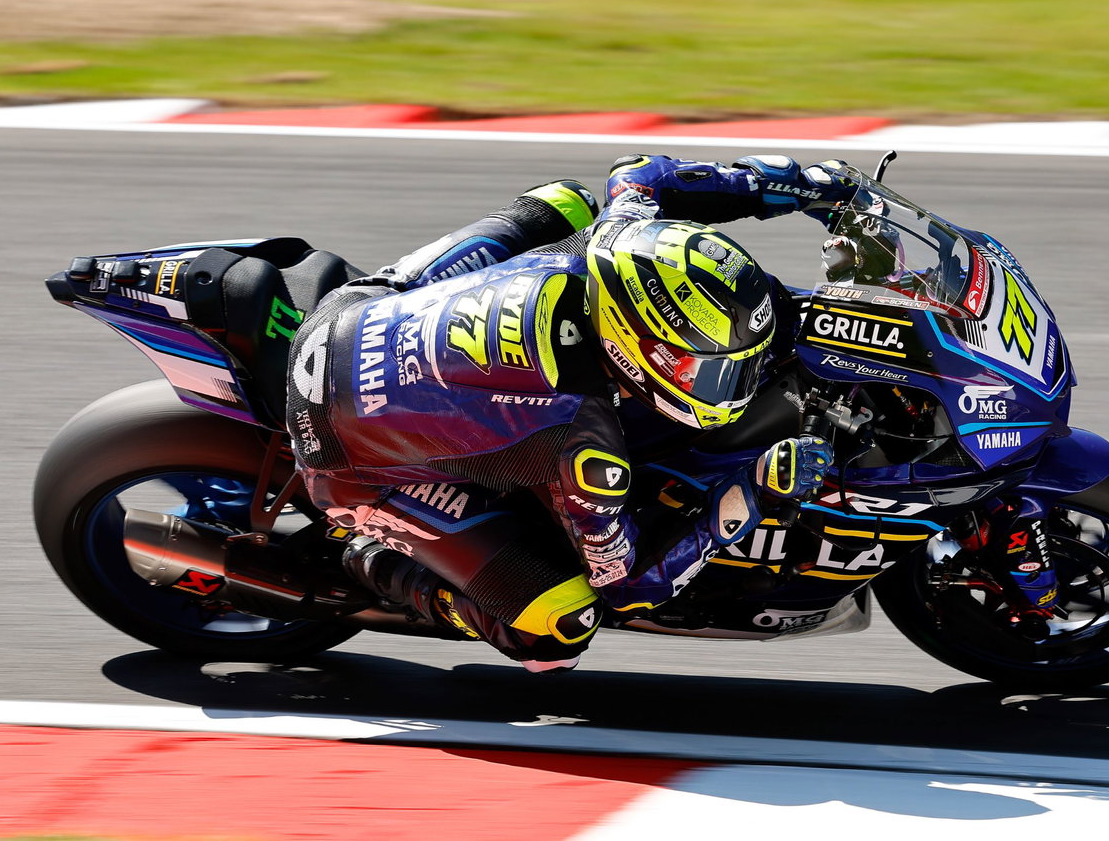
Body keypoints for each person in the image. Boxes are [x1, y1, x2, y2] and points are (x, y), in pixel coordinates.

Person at [284, 155, 856, 671]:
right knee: (558, 628)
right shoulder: (584, 440)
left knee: (565, 201)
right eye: (704, 369)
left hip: (355, 309)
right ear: (633, 346)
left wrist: (794, 184)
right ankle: (373, 561)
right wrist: (753, 492)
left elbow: (640, 173)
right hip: (340, 452)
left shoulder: (616, 237)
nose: (725, 384)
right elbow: (628, 586)